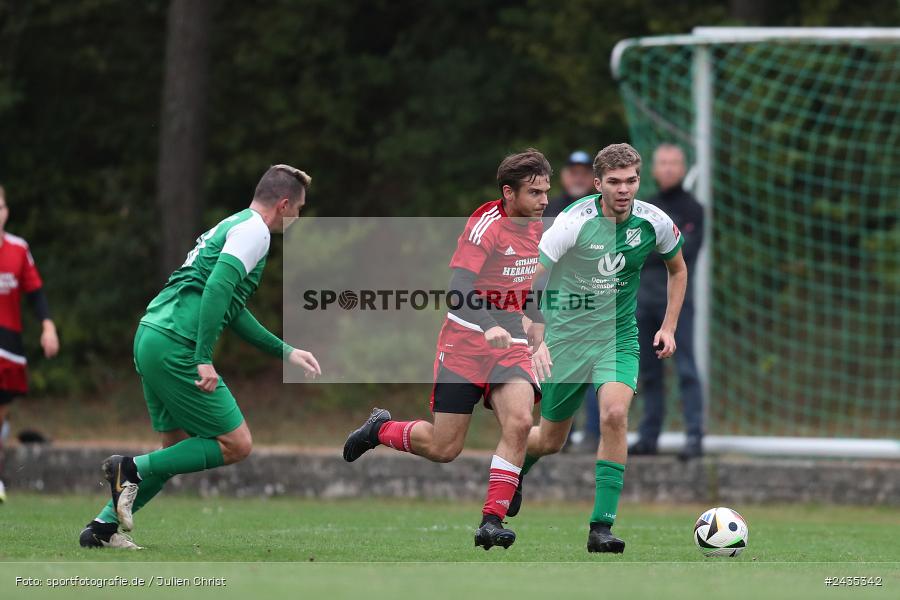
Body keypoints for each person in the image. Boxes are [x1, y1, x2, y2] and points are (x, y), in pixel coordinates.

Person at [78, 165, 322, 549]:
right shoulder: (256, 232)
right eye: (299, 210)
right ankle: (130, 468)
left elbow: (231, 307)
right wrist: (203, 357)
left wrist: (285, 351)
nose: (298, 218)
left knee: (174, 450)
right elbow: (216, 290)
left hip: (152, 333)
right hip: (178, 342)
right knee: (237, 443)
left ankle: (101, 530)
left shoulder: (233, 224)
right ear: (285, 204)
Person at [343, 149, 550, 550]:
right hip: (465, 343)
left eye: (546, 191)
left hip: (511, 345)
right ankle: (380, 429)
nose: (544, 200)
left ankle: (491, 521)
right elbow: (458, 289)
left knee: (521, 421)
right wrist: (488, 327)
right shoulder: (485, 224)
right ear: (508, 193)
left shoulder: (540, 228)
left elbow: (523, 282)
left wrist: (536, 317)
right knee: (444, 447)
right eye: (535, 192)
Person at [510, 143, 688, 554]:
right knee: (550, 439)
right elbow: (533, 279)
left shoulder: (654, 222)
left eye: (631, 181)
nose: (624, 190)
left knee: (614, 414)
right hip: (566, 340)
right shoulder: (572, 222)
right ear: (597, 184)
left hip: (617, 337)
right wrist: (534, 332)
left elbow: (677, 269)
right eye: (614, 182)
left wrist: (669, 327)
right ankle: (516, 469)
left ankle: (601, 527)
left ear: (638, 181)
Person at [630, 143, 705, 460]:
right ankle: (649, 436)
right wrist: (660, 251)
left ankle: (694, 437)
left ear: (684, 168)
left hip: (676, 303)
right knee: (647, 371)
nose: (669, 168)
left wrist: (656, 251)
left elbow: (685, 253)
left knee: (686, 367)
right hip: (642, 301)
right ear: (655, 169)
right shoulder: (644, 208)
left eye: (675, 162)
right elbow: (634, 253)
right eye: (663, 162)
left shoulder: (694, 209)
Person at [0, 185, 60, 504]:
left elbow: (36, 293)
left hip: (8, 341)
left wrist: (47, 327)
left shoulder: (18, 249)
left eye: (1, 206)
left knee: (1, 415)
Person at [543, 150, 602, 452]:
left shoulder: (601, 213)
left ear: (592, 180)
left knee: (595, 368)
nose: (577, 177)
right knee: (561, 368)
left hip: (594, 302)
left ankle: (593, 435)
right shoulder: (550, 210)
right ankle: (562, 436)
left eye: (583, 171)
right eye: (573, 171)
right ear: (564, 176)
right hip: (559, 304)